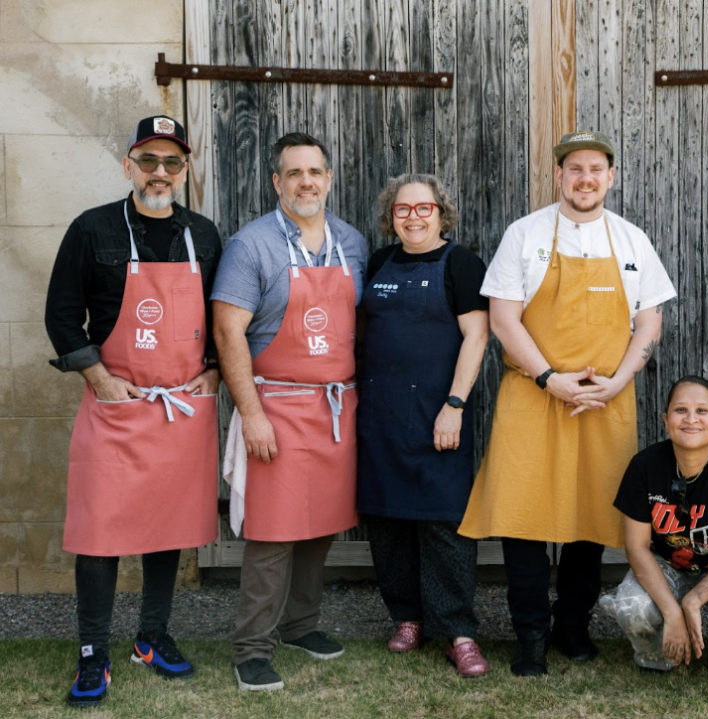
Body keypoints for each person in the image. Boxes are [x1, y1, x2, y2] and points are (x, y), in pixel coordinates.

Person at [459, 131, 677, 676]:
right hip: (531, 395)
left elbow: (649, 321)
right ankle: (530, 634)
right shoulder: (524, 233)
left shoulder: (632, 240)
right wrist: (548, 377)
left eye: (596, 169)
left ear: (611, 177)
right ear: (559, 175)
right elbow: (503, 319)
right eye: (575, 168)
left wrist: (618, 380)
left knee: (593, 517)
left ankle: (573, 625)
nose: (585, 178)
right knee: (523, 519)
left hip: (605, 400)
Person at [44, 116, 222, 707]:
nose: (159, 172)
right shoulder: (92, 229)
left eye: (172, 162)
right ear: (129, 166)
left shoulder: (203, 235)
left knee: (166, 525)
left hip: (179, 408)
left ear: (185, 170)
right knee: (99, 531)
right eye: (149, 160)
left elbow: (223, 318)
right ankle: (93, 651)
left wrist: (214, 371)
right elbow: (61, 315)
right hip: (115, 404)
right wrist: (99, 378)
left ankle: (152, 636)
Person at [212, 132, 367, 692]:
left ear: (329, 179)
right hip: (275, 406)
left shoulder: (352, 242)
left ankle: (301, 625)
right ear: (277, 182)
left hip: (335, 408)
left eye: (315, 172)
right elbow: (227, 332)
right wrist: (251, 414)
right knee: (273, 534)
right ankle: (252, 648)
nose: (306, 182)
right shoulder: (250, 245)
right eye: (294, 173)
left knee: (321, 526)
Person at [357, 174, 491, 677]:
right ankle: (407, 618)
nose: (413, 217)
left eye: (423, 208)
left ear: (440, 212)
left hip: (439, 415)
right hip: (382, 415)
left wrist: (454, 404)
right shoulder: (378, 263)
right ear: (390, 216)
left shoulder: (461, 263)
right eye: (402, 209)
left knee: (445, 523)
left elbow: (477, 337)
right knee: (387, 523)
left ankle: (459, 632)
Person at [600, 376, 708, 687]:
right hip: (665, 566)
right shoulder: (644, 467)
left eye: (702, 411)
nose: (691, 419)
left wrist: (693, 600)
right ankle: (662, 653)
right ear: (666, 420)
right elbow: (637, 547)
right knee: (631, 606)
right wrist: (672, 612)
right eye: (680, 410)